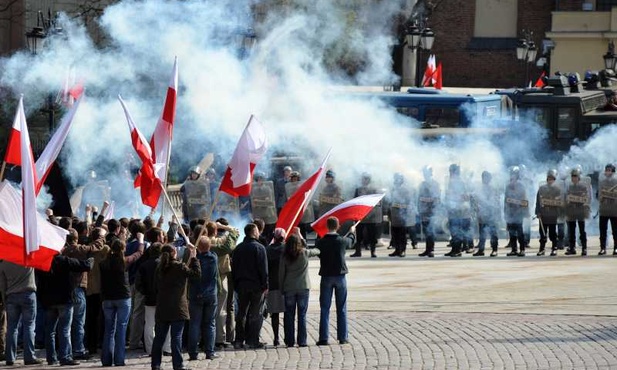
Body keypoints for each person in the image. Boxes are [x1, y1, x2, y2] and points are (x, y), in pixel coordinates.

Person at [37, 248, 94, 366]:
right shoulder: (64, 260)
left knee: (50, 331)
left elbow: (39, 283)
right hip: (64, 300)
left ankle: (51, 358)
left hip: (49, 301)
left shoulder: (43, 262)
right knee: (64, 329)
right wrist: (91, 260)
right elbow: (85, 266)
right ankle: (65, 357)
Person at [151, 244, 200, 370]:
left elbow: (155, 286)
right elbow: (196, 274)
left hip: (163, 306)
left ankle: (156, 364)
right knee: (176, 337)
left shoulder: (159, 268)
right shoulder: (179, 266)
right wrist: (194, 258)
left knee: (159, 337)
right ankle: (178, 365)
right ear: (174, 253)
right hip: (177, 306)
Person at [99, 236, 144, 367]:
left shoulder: (103, 263)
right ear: (123, 249)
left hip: (107, 298)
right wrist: (141, 240)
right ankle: (119, 360)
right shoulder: (124, 261)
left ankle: (106, 360)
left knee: (109, 329)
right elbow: (139, 253)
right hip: (123, 297)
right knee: (121, 328)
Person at [315, 217, 355, 346]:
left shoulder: (321, 242)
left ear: (327, 226)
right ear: (338, 226)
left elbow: (317, 246)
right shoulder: (341, 241)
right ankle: (343, 337)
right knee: (341, 308)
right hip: (340, 276)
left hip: (326, 276)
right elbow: (351, 242)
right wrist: (352, 231)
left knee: (324, 308)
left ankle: (323, 338)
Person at [279, 229, 319, 347]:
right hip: (303, 287)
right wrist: (303, 240)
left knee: (289, 315)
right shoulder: (305, 253)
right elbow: (317, 250)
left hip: (289, 288)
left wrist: (281, 288)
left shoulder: (284, 256)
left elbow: (281, 274)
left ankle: (289, 341)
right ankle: (302, 341)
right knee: (302, 315)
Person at [231, 223, 268, 349]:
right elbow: (263, 269)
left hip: (241, 285)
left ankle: (239, 340)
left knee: (241, 313)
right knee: (255, 313)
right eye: (257, 230)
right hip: (256, 286)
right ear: (253, 232)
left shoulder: (238, 248)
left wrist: (235, 283)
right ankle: (253, 340)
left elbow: (234, 268)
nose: (259, 233)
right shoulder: (260, 248)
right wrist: (265, 285)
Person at [0, 260, 41, 366]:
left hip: (11, 296)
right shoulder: (29, 260)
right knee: (29, 326)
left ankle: (10, 357)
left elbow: (2, 284)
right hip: (28, 294)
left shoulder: (4, 263)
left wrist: (5, 300)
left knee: (12, 327)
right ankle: (29, 357)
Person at [135, 243, 171, 356]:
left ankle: (151, 349)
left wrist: (145, 292)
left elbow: (138, 283)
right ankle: (167, 348)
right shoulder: (165, 264)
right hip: (164, 298)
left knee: (149, 325)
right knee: (167, 324)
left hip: (149, 298)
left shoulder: (143, 265)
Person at [188, 237, 219, 360]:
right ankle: (209, 352)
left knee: (195, 324)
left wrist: (192, 253)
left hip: (196, 294)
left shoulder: (195, 260)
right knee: (210, 324)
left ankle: (193, 353)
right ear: (209, 246)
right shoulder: (213, 258)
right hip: (211, 294)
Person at [350, 173, 381, 258]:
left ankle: (373, 252)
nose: (364, 181)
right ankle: (358, 251)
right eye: (363, 179)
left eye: (366, 179)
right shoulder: (358, 189)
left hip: (371, 216)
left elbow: (378, 202)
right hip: (360, 215)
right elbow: (355, 201)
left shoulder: (374, 190)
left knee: (372, 236)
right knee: (359, 235)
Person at [444, 164, 472, 257]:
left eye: (451, 171)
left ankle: (457, 250)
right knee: (453, 230)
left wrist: (455, 197)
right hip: (452, 208)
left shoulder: (460, 182)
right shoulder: (451, 182)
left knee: (456, 230)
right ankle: (454, 248)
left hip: (458, 209)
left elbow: (465, 196)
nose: (450, 173)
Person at [471, 171, 501, 257]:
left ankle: (494, 250)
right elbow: (476, 201)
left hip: (491, 214)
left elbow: (496, 202)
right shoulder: (479, 189)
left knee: (493, 233)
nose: (484, 179)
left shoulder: (493, 189)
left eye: (486, 177)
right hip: (482, 214)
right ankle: (481, 249)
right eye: (483, 177)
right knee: (482, 233)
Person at [535, 169, 563, 257]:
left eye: (552, 179)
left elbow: (560, 203)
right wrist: (538, 212)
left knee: (552, 234)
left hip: (553, 214)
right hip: (543, 214)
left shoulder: (558, 190)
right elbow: (538, 202)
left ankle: (554, 248)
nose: (550, 180)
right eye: (549, 178)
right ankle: (542, 249)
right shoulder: (542, 189)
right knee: (542, 233)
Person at [265, 228, 286, 346]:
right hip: (286, 284)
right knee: (288, 313)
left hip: (273, 284)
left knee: (275, 314)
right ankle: (289, 337)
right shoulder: (286, 248)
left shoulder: (268, 250)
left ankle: (276, 337)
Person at [387, 173, 416, 257]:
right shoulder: (393, 189)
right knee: (395, 234)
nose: (396, 181)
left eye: (397, 179)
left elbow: (408, 203)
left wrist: (397, 206)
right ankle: (396, 249)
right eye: (395, 179)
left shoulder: (405, 190)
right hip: (394, 215)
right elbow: (390, 202)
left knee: (402, 235)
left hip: (402, 214)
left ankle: (402, 250)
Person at [565, 168, 591, 256]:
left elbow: (586, 198)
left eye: (575, 176)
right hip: (572, 210)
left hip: (580, 210)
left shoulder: (583, 186)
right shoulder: (569, 186)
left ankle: (584, 248)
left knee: (582, 230)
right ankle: (572, 248)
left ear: (579, 177)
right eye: (572, 176)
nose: (574, 178)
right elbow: (566, 197)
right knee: (571, 230)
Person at [504, 166, 529, 257]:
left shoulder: (521, 185)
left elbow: (525, 201)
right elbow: (505, 200)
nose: (512, 176)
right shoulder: (507, 186)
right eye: (511, 174)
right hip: (510, 212)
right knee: (511, 232)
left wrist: (524, 211)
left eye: (514, 174)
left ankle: (522, 249)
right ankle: (514, 249)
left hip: (518, 212)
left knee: (519, 232)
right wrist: (505, 212)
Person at [417, 165, 441, 258]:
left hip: (432, 210)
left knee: (431, 231)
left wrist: (426, 200)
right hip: (424, 210)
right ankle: (427, 249)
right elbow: (419, 197)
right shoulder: (422, 184)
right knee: (427, 231)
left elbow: (437, 198)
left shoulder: (435, 184)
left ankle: (431, 250)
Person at [598, 163, 617, 255]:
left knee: (615, 230)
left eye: (609, 170)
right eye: (606, 170)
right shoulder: (602, 182)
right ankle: (602, 248)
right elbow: (598, 194)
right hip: (604, 209)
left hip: (614, 210)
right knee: (602, 231)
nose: (607, 172)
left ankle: (616, 248)